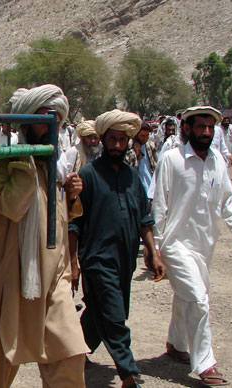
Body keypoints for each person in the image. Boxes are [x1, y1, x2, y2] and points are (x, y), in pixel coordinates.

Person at [0, 84, 88, 388]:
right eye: (43, 119)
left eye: (56, 118)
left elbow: (56, 218)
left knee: (69, 355)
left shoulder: (55, 167)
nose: (51, 126)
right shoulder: (3, 162)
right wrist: (27, 160)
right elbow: (14, 207)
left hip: (54, 279)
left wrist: (70, 195)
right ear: (25, 123)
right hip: (12, 281)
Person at [152, 106, 232, 387]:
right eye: (200, 127)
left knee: (187, 296)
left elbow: (227, 198)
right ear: (187, 129)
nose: (206, 132)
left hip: (204, 245)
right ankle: (206, 364)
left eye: (210, 127)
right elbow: (159, 204)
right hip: (174, 244)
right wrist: (155, 247)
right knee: (198, 299)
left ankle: (176, 343)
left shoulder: (217, 160)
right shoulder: (171, 160)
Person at [75, 110, 165, 388]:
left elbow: (144, 219)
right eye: (111, 139)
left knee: (100, 312)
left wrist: (153, 250)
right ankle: (128, 373)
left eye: (121, 140)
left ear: (128, 141)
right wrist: (71, 263)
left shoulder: (132, 177)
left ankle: (72, 352)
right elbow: (74, 223)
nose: (116, 145)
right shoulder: (88, 175)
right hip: (96, 259)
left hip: (125, 259)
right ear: (102, 139)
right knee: (113, 315)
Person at [125, 121, 158, 196]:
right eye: (142, 136)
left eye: (147, 136)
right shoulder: (129, 146)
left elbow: (155, 165)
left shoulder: (150, 146)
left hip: (150, 189)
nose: (145, 138)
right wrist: (135, 153)